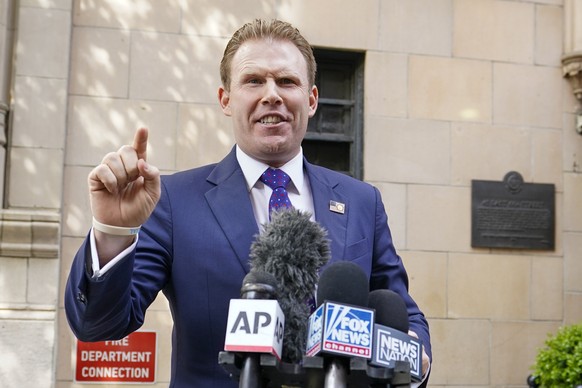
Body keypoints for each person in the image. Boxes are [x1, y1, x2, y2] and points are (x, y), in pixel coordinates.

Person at [65, 19, 432, 387]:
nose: (271, 94)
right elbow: (98, 324)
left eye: (287, 81)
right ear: (226, 99)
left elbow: (404, 317)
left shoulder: (361, 201)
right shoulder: (175, 201)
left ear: (312, 99)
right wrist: (112, 231)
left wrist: (413, 359)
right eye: (253, 80)